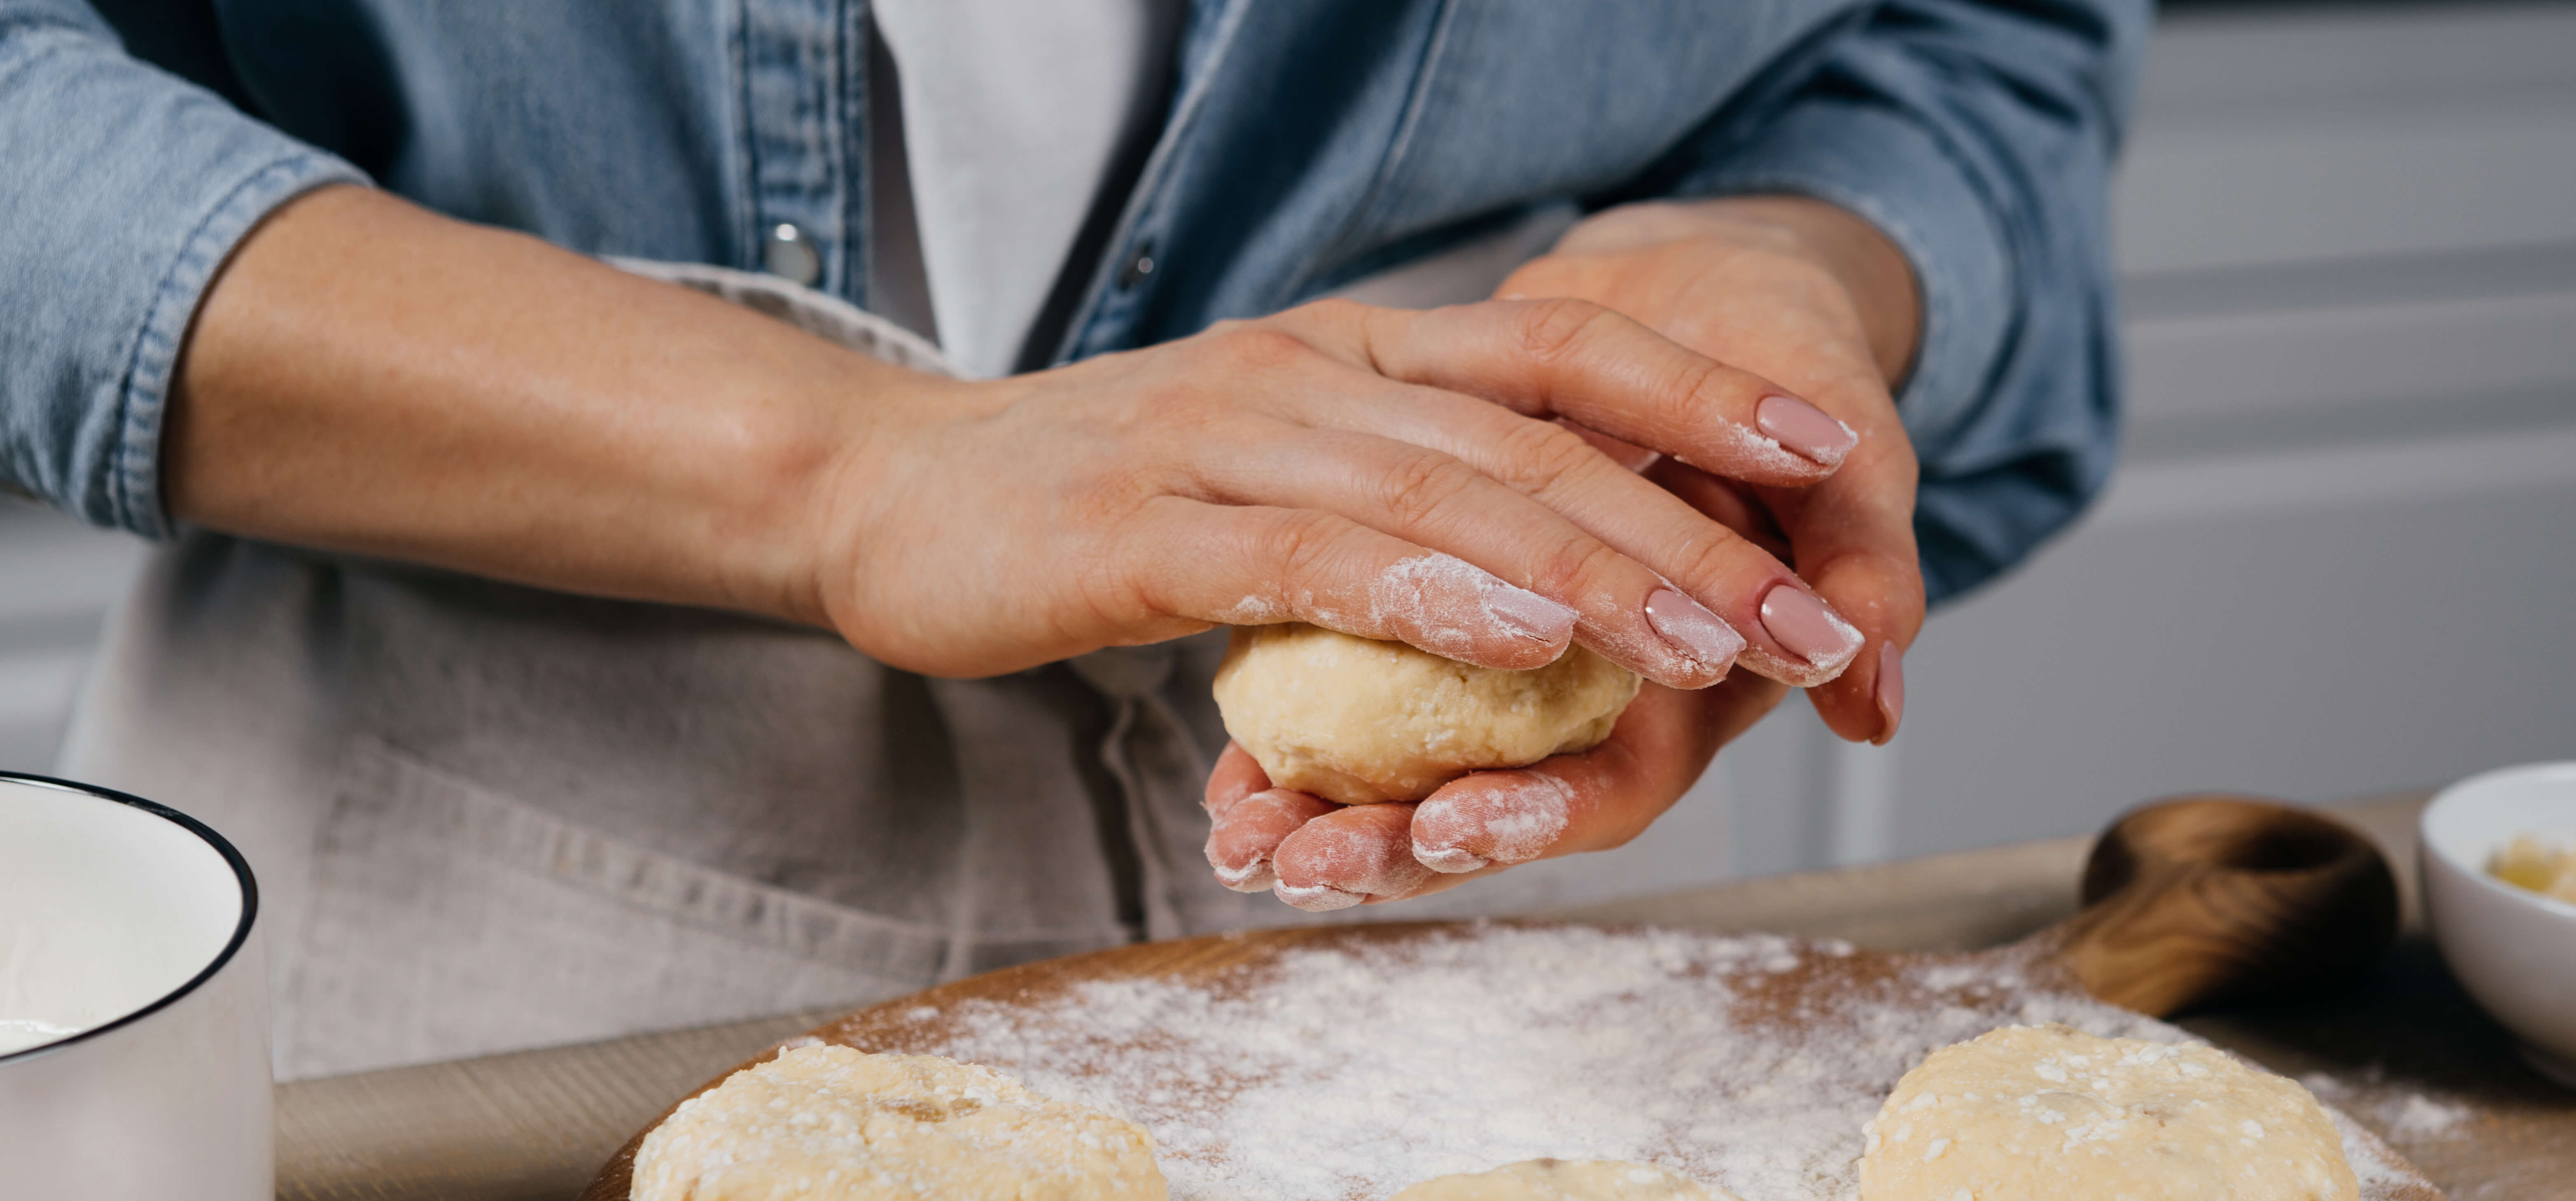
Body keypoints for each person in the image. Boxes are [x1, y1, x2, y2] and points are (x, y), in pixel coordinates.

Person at [1, 0, 2145, 1077]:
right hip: (485, 926)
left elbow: (1981, 35)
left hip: (1515, 826)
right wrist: (841, 466)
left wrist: (1782, 256)